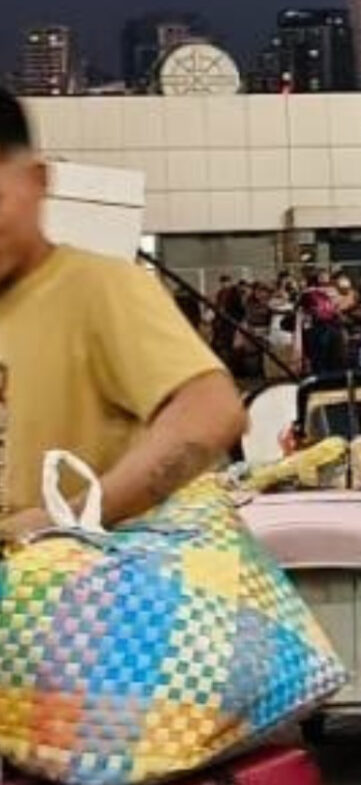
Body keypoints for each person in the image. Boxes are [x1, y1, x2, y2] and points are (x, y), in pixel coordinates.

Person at [0, 87, 246, 537]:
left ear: (38, 180)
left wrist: (69, 518)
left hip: (75, 576)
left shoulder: (98, 288)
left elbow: (210, 411)